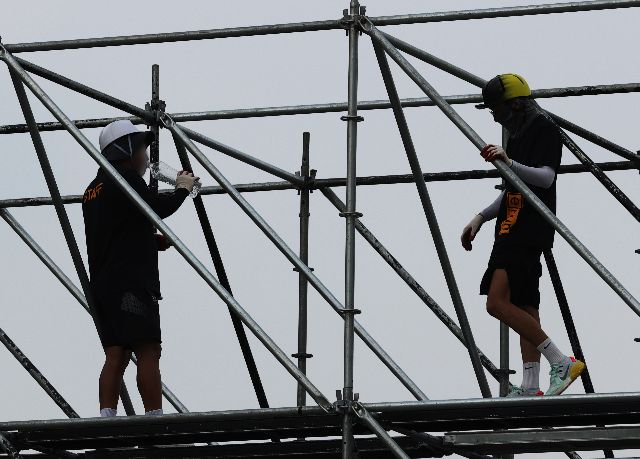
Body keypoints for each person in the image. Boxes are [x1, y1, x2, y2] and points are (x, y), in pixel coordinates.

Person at [461, 74, 585, 397]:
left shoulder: (543, 128)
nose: (494, 116)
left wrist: (509, 161)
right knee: (524, 306)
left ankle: (561, 362)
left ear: (515, 104)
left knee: (496, 302)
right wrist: (481, 217)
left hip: (524, 229)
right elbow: (513, 187)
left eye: (496, 108)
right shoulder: (516, 135)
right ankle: (531, 386)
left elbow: (545, 178)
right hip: (512, 224)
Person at [83, 120, 198, 416]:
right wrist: (182, 190)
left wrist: (147, 240)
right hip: (131, 284)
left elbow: (115, 228)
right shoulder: (123, 177)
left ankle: (106, 417)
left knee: (116, 354)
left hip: (103, 286)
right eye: (141, 149)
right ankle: (154, 418)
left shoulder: (94, 188)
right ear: (126, 149)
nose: (145, 157)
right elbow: (154, 207)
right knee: (148, 348)